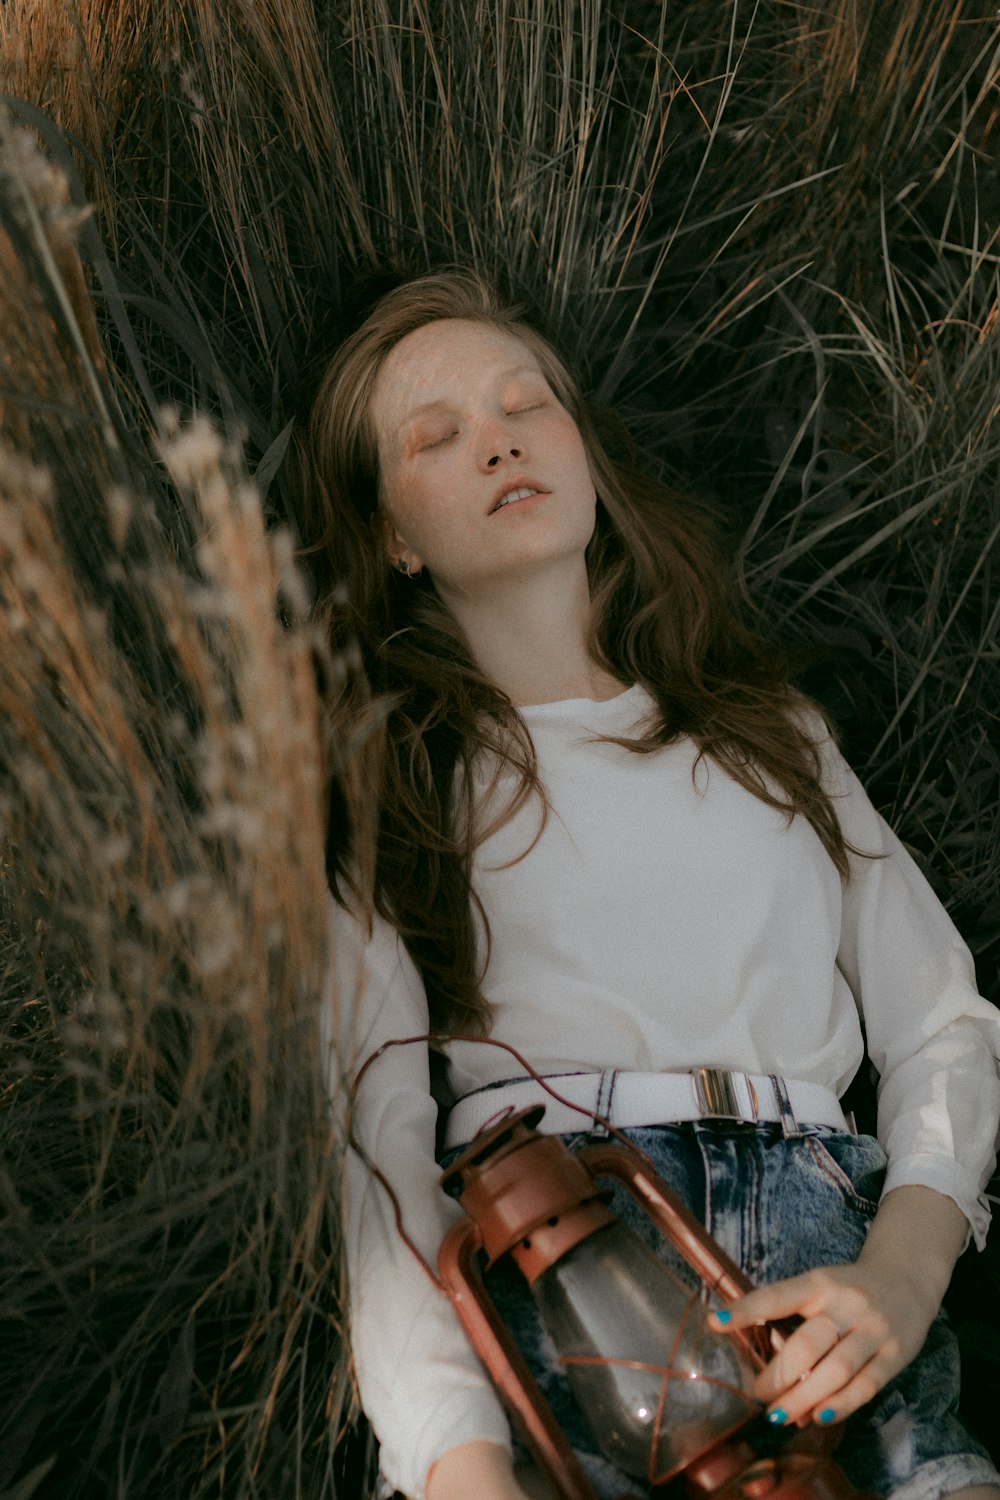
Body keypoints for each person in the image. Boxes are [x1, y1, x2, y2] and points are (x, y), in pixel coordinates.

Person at [295, 269, 1000, 1500]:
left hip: (832, 1254)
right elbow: (381, 1156)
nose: (501, 437)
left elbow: (939, 1022)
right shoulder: (390, 785)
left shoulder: (764, 728)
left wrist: (905, 1271)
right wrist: (465, 1470)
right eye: (436, 434)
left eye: (527, 402)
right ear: (393, 536)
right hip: (565, 1277)